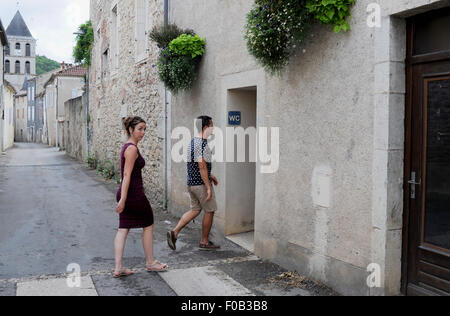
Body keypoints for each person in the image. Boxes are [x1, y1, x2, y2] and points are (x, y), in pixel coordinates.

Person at [114, 116, 168, 278]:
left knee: (123, 229)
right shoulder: (132, 149)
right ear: (131, 130)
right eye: (140, 129)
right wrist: (123, 199)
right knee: (148, 224)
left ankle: (119, 267)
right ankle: (150, 262)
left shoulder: (128, 147)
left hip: (128, 194)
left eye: (145, 129)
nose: (143, 132)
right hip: (134, 195)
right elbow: (126, 174)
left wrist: (123, 198)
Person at [167, 116, 220, 251]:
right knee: (210, 210)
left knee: (195, 210)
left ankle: (175, 232)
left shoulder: (193, 142)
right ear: (205, 127)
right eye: (211, 125)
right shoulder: (201, 144)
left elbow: (198, 165)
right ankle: (204, 241)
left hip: (192, 182)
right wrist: (208, 187)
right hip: (200, 185)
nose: (213, 128)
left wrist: (210, 175)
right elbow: (201, 166)